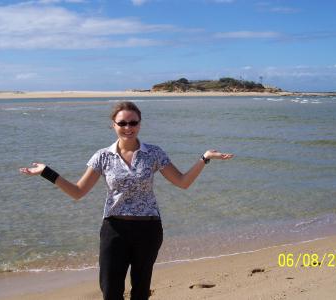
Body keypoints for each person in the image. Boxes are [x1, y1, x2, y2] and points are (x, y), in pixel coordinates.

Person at [19, 101, 234, 300]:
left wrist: (205, 158)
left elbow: (182, 181)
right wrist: (46, 172)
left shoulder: (154, 153)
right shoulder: (102, 156)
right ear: (113, 125)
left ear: (140, 124)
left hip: (148, 230)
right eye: (122, 123)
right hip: (114, 230)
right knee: (110, 291)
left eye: (133, 122)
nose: (128, 127)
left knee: (140, 291)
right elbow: (78, 191)